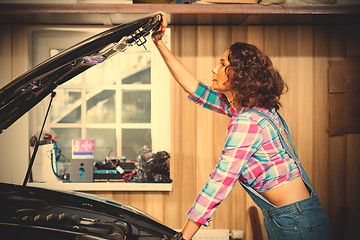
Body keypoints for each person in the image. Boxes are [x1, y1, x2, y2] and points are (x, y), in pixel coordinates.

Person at [152, 12, 331, 240]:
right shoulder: (255, 110)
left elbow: (220, 181)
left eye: (222, 64)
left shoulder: (248, 123)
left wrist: (184, 237)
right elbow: (194, 88)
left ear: (239, 74)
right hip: (293, 218)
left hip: (297, 223)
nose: (214, 70)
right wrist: (160, 42)